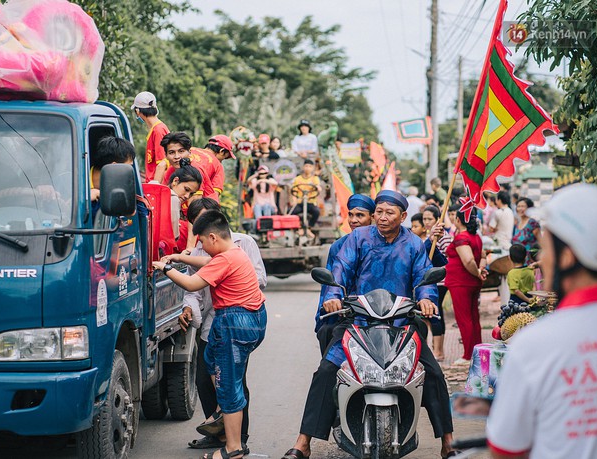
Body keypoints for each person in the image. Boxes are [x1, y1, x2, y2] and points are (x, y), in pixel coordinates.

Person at [282, 190, 457, 459]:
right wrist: (333, 296)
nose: (382, 217)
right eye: (379, 212)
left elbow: (424, 279)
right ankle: (303, 443)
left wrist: (426, 300)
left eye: (389, 212)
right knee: (326, 371)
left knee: (433, 373)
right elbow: (340, 270)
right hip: (357, 321)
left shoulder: (413, 244)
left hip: (401, 323)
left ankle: (448, 442)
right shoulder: (358, 238)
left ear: (403, 216)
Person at [487, 183, 597, 459]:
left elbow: (506, 451)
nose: (541, 260)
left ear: (567, 257)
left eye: (544, 249)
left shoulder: (536, 344)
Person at [153, 210, 267, 459]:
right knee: (211, 359)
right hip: (249, 318)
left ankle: (234, 448)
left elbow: (192, 284)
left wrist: (165, 269)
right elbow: (206, 263)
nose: (201, 248)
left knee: (228, 385)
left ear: (213, 237)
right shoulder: (233, 253)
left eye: (202, 242)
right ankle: (221, 412)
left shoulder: (225, 259)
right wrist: (178, 258)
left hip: (235, 322)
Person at [314, 194, 375, 354]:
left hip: (381, 310)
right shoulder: (338, 246)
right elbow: (331, 283)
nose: (353, 220)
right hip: (348, 312)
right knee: (327, 332)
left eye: (360, 215)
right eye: (351, 214)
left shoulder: (384, 244)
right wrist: (331, 301)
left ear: (372, 217)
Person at [445, 209, 485, 364]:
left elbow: (468, 261)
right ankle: (477, 351)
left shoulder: (462, 237)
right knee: (473, 317)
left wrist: (477, 272)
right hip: (470, 281)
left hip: (462, 282)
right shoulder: (475, 236)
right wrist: (480, 272)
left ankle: (468, 355)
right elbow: (482, 257)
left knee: (465, 319)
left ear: (459, 220)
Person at [422, 205, 452, 361]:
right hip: (428, 282)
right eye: (424, 219)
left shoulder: (444, 237)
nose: (427, 222)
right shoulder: (427, 236)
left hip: (440, 281)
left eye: (430, 219)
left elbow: (448, 260)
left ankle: (439, 351)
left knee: (435, 314)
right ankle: (435, 348)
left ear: (437, 220)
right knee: (433, 314)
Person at [89, 136, 136, 222]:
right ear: (114, 166)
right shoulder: (74, 183)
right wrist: (85, 199)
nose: (129, 172)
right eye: (128, 168)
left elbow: (131, 212)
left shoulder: (119, 187)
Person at [131, 91, 169, 182]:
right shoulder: (155, 129)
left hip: (156, 185)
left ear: (137, 111)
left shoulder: (158, 130)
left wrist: (155, 189)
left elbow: (162, 165)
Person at [489, 190, 515, 305]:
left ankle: (505, 303)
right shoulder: (510, 212)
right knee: (508, 278)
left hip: (499, 247)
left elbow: (491, 228)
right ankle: (508, 302)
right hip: (508, 245)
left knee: (502, 278)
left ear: (499, 200)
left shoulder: (498, 213)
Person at [167, 160, 202, 240]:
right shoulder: (174, 199)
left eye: (191, 194)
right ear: (175, 181)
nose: (187, 196)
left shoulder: (160, 193)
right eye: (186, 189)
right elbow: (174, 236)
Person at [290, 159, 322, 237]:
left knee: (316, 211)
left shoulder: (315, 179)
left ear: (312, 168)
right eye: (306, 166)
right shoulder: (298, 179)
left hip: (310, 202)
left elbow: (318, 187)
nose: (308, 168)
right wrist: (294, 200)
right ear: (303, 167)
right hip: (300, 202)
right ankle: (299, 228)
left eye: (310, 166)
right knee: (291, 212)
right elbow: (294, 191)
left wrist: (318, 188)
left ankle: (309, 228)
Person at [511, 197, 540, 263]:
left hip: (530, 263)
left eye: (523, 206)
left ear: (529, 208)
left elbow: (540, 243)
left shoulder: (532, 223)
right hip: (518, 264)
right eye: (518, 206)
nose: (520, 209)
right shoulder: (517, 224)